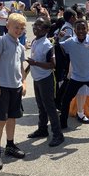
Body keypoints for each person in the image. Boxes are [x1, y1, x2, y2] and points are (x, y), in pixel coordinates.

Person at [0, 13, 28, 170]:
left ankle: (10, 145)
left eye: (21, 28)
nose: (18, 30)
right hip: (3, 87)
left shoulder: (20, 46)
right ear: (8, 26)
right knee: (0, 120)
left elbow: (21, 67)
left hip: (16, 87)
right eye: (15, 27)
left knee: (12, 118)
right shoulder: (1, 41)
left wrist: (24, 82)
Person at [26, 17, 64, 147]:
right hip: (37, 79)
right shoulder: (36, 41)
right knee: (41, 106)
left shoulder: (47, 44)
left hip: (45, 79)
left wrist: (35, 63)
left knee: (50, 107)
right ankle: (42, 129)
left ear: (47, 30)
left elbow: (52, 65)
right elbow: (33, 60)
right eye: (35, 25)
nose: (35, 27)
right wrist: (24, 74)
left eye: (39, 26)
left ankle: (58, 135)